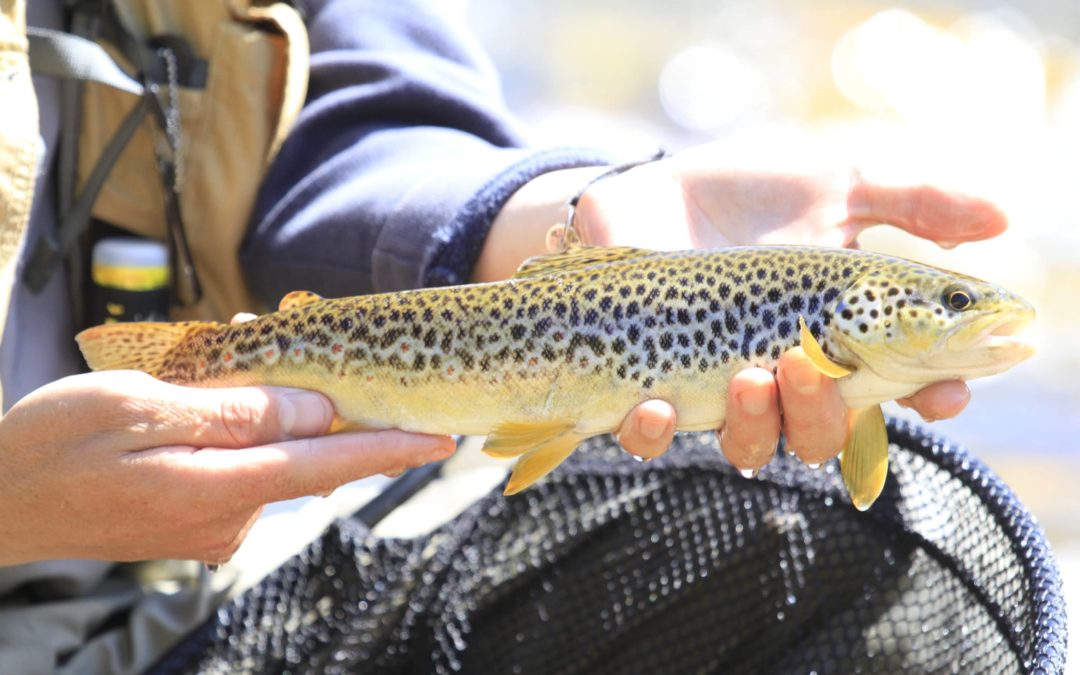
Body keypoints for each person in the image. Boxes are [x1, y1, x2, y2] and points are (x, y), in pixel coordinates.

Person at [0, 0, 1005, 672]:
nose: (975, 322)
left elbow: (337, 109)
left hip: (167, 573)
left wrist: (563, 212)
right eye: (949, 307)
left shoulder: (843, 349)